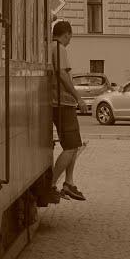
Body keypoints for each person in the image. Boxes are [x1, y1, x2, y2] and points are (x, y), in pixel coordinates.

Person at [50, 19, 87, 201]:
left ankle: (69, 183)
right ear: (66, 34)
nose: (70, 40)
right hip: (62, 103)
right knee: (71, 146)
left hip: (61, 103)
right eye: (70, 37)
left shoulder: (52, 47)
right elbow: (62, 74)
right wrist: (78, 97)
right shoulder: (59, 48)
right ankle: (51, 184)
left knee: (74, 144)